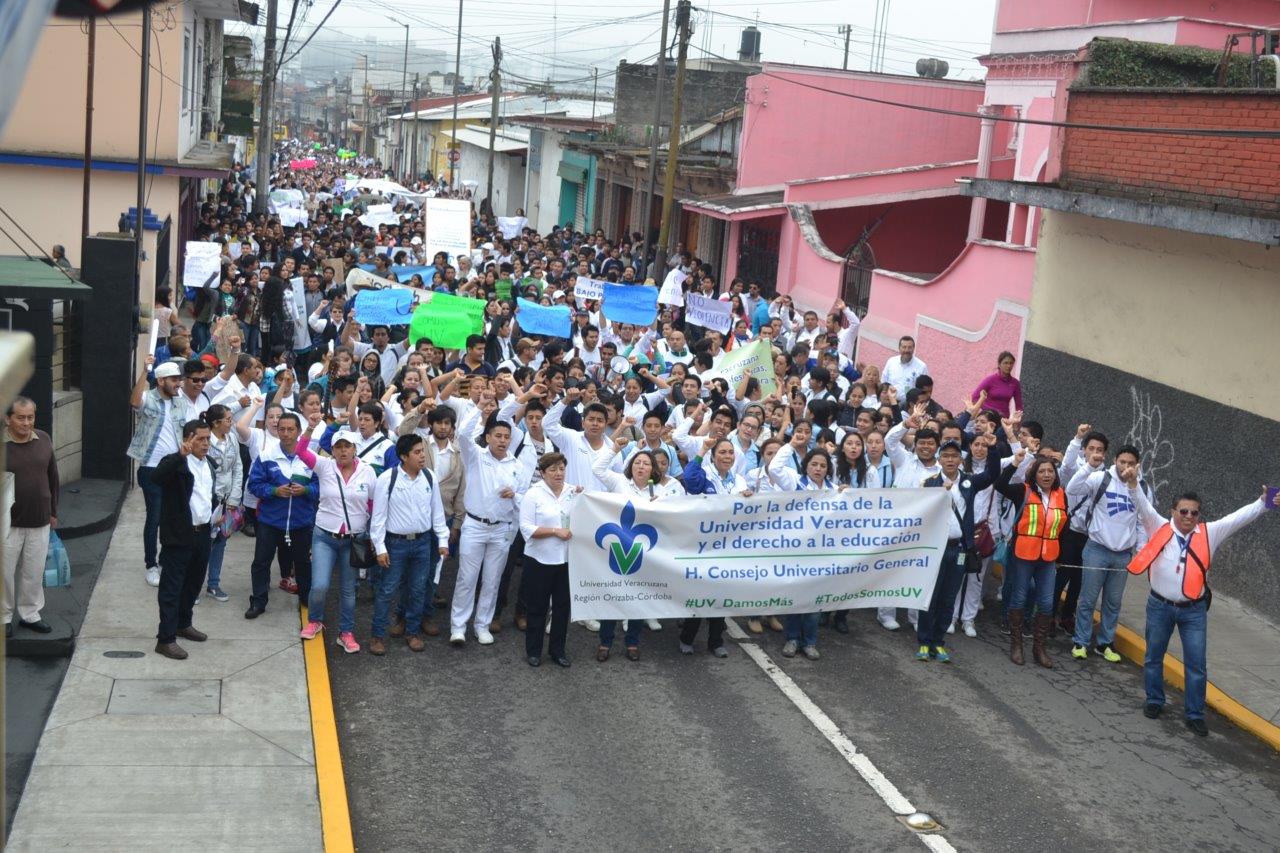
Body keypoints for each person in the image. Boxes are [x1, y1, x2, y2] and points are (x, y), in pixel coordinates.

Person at [1130, 485, 1279, 736]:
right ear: (1173, 511)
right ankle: (1154, 700)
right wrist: (1133, 484)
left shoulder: (1209, 533)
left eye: (1194, 513)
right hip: (1160, 606)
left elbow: (1237, 519)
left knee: (1196, 664)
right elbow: (1143, 505)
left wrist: (1263, 503)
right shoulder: (1158, 526)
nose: (1189, 517)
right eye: (1183, 511)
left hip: (1193, 611)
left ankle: (1195, 714)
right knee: (1154, 656)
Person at [442, 382, 529, 646]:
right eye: (497, 436)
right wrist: (480, 406)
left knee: (492, 580)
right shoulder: (475, 456)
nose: (502, 440)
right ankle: (458, 627)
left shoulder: (517, 466)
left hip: (502, 529)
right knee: (466, 578)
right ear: (488, 437)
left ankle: (482, 625)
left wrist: (515, 497)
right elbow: (463, 434)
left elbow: (525, 500)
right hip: (475, 526)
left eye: (506, 437)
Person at [914, 439, 1001, 663]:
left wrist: (992, 449)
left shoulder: (970, 481)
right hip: (936, 549)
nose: (950, 460)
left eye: (954, 456)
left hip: (960, 549)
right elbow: (920, 512)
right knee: (931, 598)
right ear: (939, 459)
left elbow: (993, 473)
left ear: (961, 460)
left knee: (948, 598)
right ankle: (924, 641)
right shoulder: (929, 483)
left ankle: (938, 641)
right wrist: (938, 493)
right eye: (946, 456)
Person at [295, 429, 377, 653]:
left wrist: (371, 533)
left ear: (354, 449)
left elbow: (372, 504)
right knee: (320, 585)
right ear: (332, 450)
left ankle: (346, 632)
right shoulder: (324, 466)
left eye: (347, 446)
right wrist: (310, 428)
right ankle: (315, 620)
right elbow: (300, 450)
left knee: (348, 590)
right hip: (324, 537)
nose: (343, 451)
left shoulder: (368, 471)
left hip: (353, 540)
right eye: (338, 447)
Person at [368, 434, 450, 655]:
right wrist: (380, 548)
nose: (422, 456)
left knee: (418, 589)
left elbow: (437, 513)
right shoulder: (387, 478)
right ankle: (377, 635)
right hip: (395, 544)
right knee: (387, 590)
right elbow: (378, 517)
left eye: (423, 451)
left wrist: (442, 540)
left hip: (423, 543)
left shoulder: (429, 477)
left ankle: (412, 632)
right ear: (404, 457)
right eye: (417, 452)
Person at [1066, 440, 1148, 663]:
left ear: (1137, 465)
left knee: (1113, 602)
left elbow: (1143, 521)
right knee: (1088, 599)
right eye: (1122, 462)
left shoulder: (1142, 488)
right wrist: (1089, 467)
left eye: (1130, 463)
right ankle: (1081, 642)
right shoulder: (1101, 478)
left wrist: (1141, 552)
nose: (1126, 467)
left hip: (1123, 555)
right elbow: (1072, 489)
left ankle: (1105, 644)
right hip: (1096, 549)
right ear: (1115, 461)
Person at [995, 453, 1068, 669]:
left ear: (1055, 475)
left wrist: (1060, 558)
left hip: (1049, 557)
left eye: (1050, 471)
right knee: (1019, 598)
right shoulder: (1023, 491)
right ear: (1034, 474)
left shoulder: (1061, 495)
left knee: (1046, 602)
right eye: (1041, 471)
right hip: (1024, 555)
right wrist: (1015, 463)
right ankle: (1016, 645)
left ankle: (1039, 648)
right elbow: (1000, 485)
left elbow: (1063, 527)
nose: (1046, 475)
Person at [152, 420, 217, 660]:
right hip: (179, 536)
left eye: (208, 439)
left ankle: (183, 624)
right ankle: (166, 639)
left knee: (193, 583)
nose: (206, 444)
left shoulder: (209, 464)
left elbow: (207, 496)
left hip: (203, 533)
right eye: (200, 439)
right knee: (172, 588)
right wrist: (179, 456)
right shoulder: (175, 463)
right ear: (188, 439)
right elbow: (156, 477)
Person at [244, 413, 317, 619]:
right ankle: (258, 601)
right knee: (261, 562)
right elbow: (254, 485)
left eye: (290, 429)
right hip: (270, 521)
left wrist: (306, 490)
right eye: (281, 429)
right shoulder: (266, 455)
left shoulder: (311, 457)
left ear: (299, 431)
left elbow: (322, 487)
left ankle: (306, 598)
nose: (285, 434)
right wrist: (274, 491)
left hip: (300, 522)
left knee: (303, 563)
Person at [767, 446, 836, 660]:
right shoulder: (795, 484)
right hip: (796, 552)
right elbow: (774, 469)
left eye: (823, 465)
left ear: (828, 469)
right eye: (814, 464)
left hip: (821, 555)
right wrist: (791, 445)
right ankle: (792, 639)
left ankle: (810, 642)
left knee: (814, 602)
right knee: (795, 598)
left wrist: (847, 493)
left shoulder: (835, 490)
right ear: (806, 466)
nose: (818, 469)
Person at [129, 357, 190, 587]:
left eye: (179, 379)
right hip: (151, 468)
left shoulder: (180, 402)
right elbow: (134, 401)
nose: (178, 383)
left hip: (174, 468)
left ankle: (165, 561)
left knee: (171, 518)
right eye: (174, 380)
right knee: (154, 518)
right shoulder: (148, 398)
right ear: (161, 380)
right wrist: (145, 371)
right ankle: (151, 565)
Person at [4, 398, 59, 637]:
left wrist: (53, 511)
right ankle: (3, 617)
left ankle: (30, 614)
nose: (26, 423)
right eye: (20, 417)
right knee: (4, 573)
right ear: (8, 419)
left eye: (30, 417)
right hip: (7, 523)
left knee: (34, 571)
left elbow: (53, 476)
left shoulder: (44, 439)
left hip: (40, 518)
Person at [519, 453, 578, 667]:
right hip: (539, 560)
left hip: (565, 559)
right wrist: (554, 531)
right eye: (552, 469)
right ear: (543, 473)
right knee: (537, 607)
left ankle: (557, 651)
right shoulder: (533, 494)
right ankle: (534, 651)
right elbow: (526, 527)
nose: (558, 473)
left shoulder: (573, 492)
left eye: (561, 468)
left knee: (562, 608)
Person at [201, 405, 242, 603]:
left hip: (226, 501)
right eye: (227, 419)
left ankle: (213, 584)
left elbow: (238, 468)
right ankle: (193, 586)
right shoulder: (205, 442)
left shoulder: (232, 438)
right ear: (216, 423)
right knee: (202, 544)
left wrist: (234, 497)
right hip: (208, 500)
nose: (231, 423)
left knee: (220, 542)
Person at [971, 351, 1023, 418]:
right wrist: (992, 411)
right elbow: (974, 398)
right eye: (1006, 363)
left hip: (1004, 419)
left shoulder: (1015, 383)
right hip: (988, 417)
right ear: (999, 364)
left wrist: (1017, 420)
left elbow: (1019, 406)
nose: (1009, 366)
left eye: (1011, 363)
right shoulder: (990, 380)